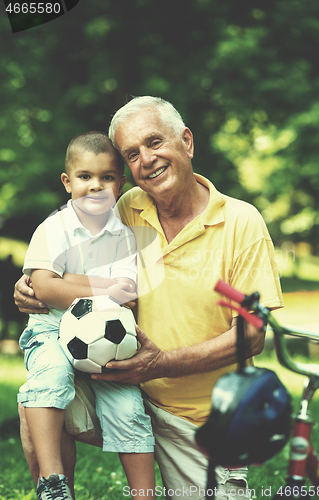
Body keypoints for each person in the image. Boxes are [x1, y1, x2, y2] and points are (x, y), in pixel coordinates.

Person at [14, 97, 284, 500]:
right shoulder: (126, 207)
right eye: (132, 154)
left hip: (197, 420)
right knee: (40, 392)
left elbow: (252, 337)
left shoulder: (241, 223)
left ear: (186, 142)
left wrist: (160, 364)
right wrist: (33, 282)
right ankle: (56, 490)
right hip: (119, 387)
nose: (147, 160)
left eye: (155, 142)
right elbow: (68, 241)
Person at [16, 131, 155, 500]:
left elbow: (126, 296)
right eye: (85, 176)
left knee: (128, 406)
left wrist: (67, 280)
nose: (96, 186)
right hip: (49, 330)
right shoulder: (52, 229)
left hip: (108, 339)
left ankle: (144, 494)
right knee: (52, 374)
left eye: (107, 177)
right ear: (67, 182)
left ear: (120, 183)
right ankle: (53, 482)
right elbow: (44, 289)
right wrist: (102, 285)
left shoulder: (125, 237)